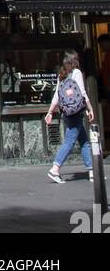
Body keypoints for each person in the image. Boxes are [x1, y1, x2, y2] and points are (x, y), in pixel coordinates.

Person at [45, 50, 94, 184]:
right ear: (75, 60)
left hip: (66, 112)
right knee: (69, 142)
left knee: (84, 141)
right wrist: (90, 108)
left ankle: (92, 170)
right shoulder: (76, 72)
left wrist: (49, 112)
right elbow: (82, 93)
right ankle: (55, 169)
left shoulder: (62, 74)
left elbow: (57, 95)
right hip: (76, 112)